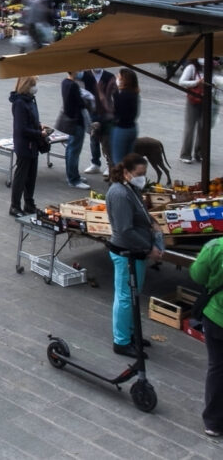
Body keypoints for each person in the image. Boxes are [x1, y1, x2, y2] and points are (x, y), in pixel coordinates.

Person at [106, 153, 163, 358]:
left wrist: (152, 222)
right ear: (127, 173)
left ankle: (131, 334)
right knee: (124, 297)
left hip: (136, 251)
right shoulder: (119, 194)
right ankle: (121, 341)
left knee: (132, 295)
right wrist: (150, 248)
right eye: (140, 174)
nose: (143, 177)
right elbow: (124, 230)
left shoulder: (132, 188)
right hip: (125, 252)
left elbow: (140, 210)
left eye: (144, 174)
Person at [191, 236, 223, 437]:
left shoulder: (215, 247)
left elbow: (197, 275)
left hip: (216, 317)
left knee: (217, 367)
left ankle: (214, 422)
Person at [9, 76, 45, 217]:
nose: (35, 87)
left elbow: (33, 118)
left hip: (33, 143)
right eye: (33, 85)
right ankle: (15, 206)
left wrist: (39, 125)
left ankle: (29, 204)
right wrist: (39, 133)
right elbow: (21, 128)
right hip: (25, 145)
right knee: (21, 176)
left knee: (31, 176)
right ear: (26, 86)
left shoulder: (30, 99)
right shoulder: (20, 103)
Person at [83, 68, 118, 177]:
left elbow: (116, 94)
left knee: (107, 140)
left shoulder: (109, 76)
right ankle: (95, 163)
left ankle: (110, 164)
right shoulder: (86, 75)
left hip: (107, 113)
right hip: (92, 112)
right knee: (94, 138)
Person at [59, 71, 88, 189]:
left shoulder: (64, 82)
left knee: (70, 149)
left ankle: (72, 174)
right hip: (77, 121)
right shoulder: (74, 85)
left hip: (70, 121)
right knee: (74, 150)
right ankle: (73, 179)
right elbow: (81, 104)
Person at [178, 58, 206, 164]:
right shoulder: (192, 67)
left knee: (204, 127)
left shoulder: (213, 67)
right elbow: (182, 82)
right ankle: (185, 154)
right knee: (190, 127)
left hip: (207, 100)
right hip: (193, 100)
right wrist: (197, 82)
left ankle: (199, 153)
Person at [111, 68, 140, 165]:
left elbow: (116, 113)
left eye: (118, 77)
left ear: (124, 80)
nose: (117, 79)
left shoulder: (123, 95)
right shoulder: (134, 94)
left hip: (121, 130)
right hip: (132, 128)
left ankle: (119, 179)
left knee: (118, 161)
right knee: (128, 161)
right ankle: (128, 179)